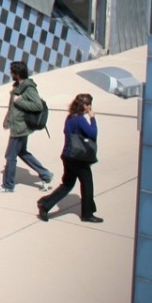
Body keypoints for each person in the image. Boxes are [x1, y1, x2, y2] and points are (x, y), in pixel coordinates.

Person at [37, 93, 101, 223]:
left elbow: (66, 132)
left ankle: (45, 204)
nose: (90, 107)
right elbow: (93, 133)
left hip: (68, 156)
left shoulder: (70, 117)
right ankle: (87, 214)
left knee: (67, 184)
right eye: (89, 105)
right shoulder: (80, 119)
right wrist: (92, 118)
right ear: (84, 106)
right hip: (79, 158)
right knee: (87, 185)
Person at [0, 61, 54, 193]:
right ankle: (45, 174)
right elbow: (12, 106)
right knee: (22, 152)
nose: (10, 74)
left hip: (21, 127)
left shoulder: (28, 88)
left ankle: (8, 185)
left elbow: (37, 105)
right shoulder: (18, 86)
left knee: (10, 156)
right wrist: (7, 119)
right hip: (16, 125)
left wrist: (20, 101)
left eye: (12, 72)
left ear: (17, 73)